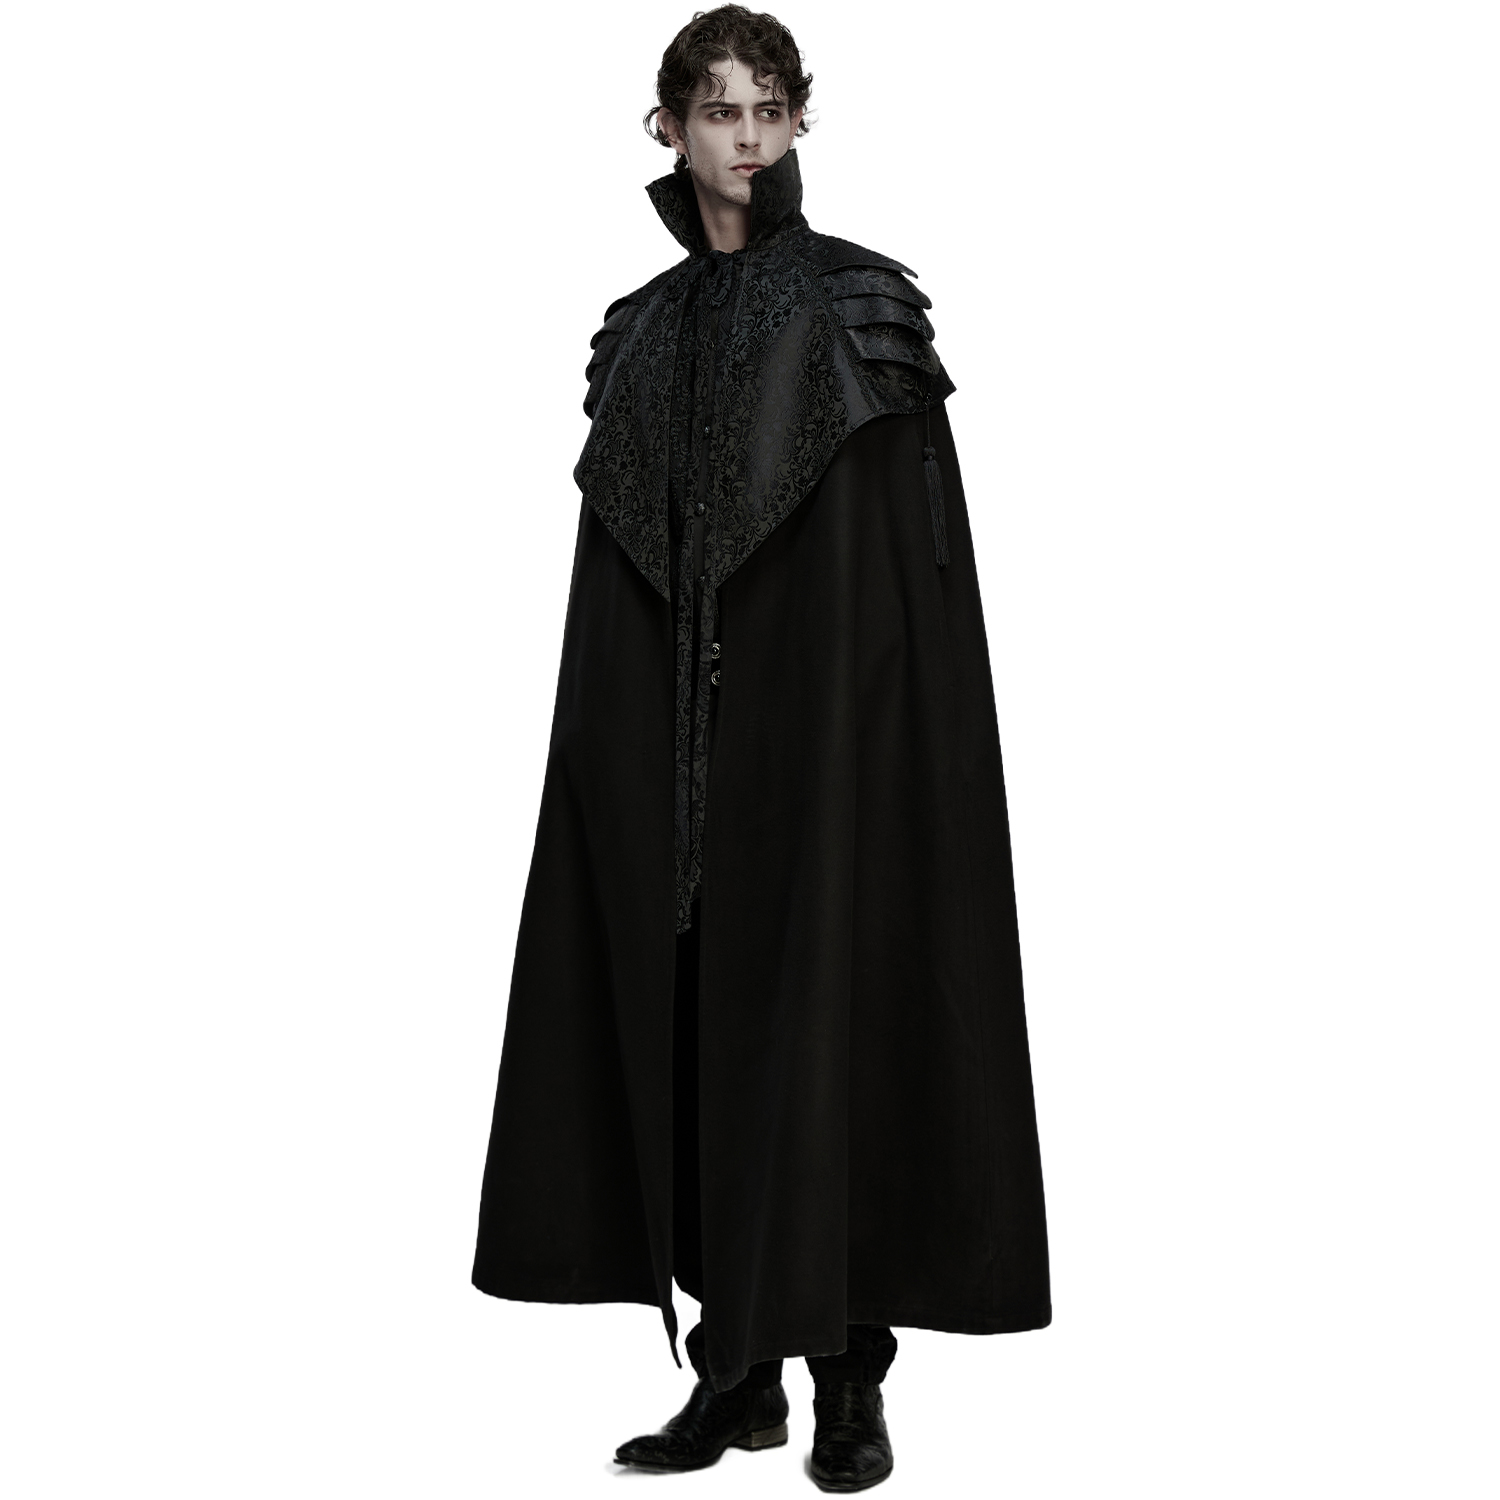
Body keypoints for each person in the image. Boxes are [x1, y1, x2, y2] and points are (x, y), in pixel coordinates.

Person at [472, 6, 1050, 1490]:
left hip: (830, 746)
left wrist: (873, 755)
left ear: (799, 120)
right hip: (673, 759)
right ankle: (734, 1376)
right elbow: (619, 579)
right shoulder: (641, 333)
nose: (744, 133)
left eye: (768, 106)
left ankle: (849, 1375)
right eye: (717, 108)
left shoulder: (858, 307)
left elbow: (909, 573)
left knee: (831, 1020)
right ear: (666, 128)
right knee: (691, 1032)